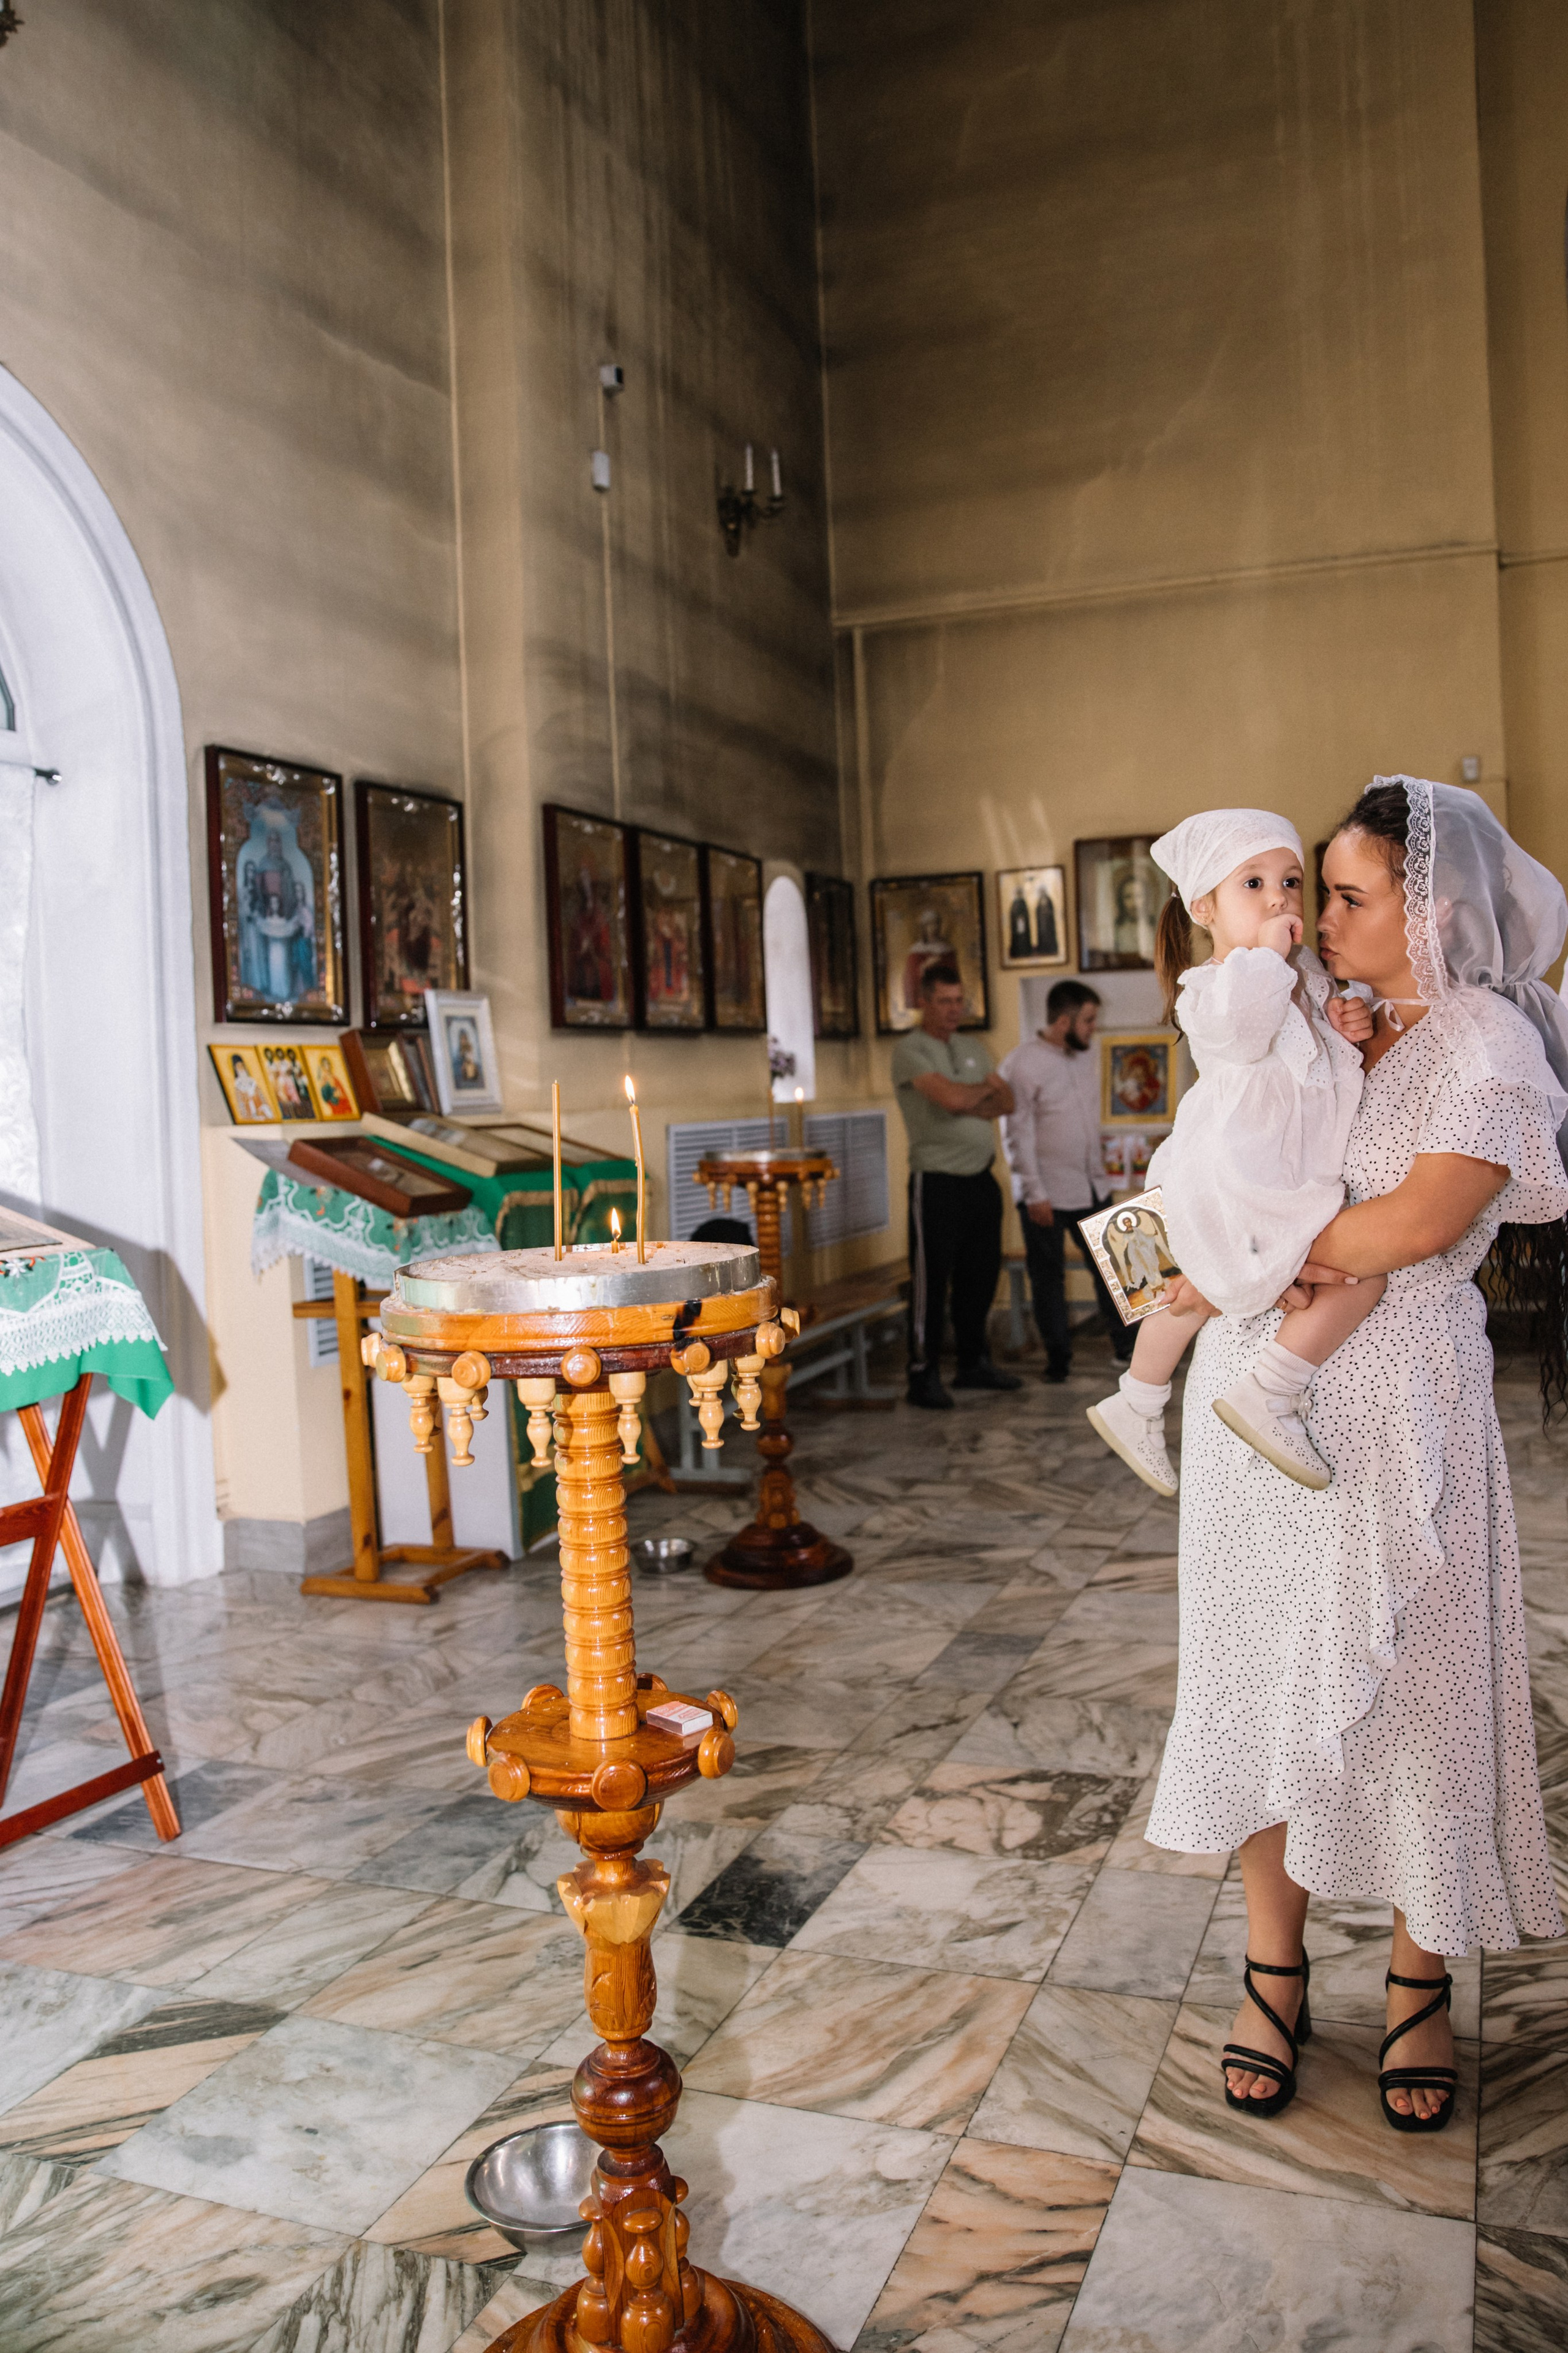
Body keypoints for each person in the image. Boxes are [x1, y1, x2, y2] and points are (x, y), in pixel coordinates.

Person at [1145, 776, 1568, 2135]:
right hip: (1248, 1415)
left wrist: (1243, 1248)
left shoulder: (1486, 1042)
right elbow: (1210, 1148)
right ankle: (1271, 1973)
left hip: (1398, 1416)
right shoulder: (1315, 1020)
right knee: (1262, 1676)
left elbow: (1410, 1225)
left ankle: (1412, 1979)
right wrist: (1201, 1241)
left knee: (1415, 1701)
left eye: (1345, 895)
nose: (1317, 915)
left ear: (1430, 908)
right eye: (1312, 891)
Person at [1087, 811, 1379, 1497]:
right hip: (1233, 1169)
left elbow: (1322, 1071)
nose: (1279, 897)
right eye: (1254, 882)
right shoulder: (1213, 986)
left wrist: (1345, 1022)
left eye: (1290, 881)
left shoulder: (1297, 977)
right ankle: (1261, 1391)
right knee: (1343, 1277)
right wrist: (1269, 961)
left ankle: (1135, 1401)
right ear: (1204, 908)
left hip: (1273, 1168)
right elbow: (1248, 1034)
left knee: (1187, 1295)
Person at [892, 961, 1021, 1409]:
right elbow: (949, 1100)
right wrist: (969, 1096)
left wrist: (965, 1097)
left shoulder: (972, 1046)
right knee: (933, 1282)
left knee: (981, 1278)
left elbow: (1006, 1100)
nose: (953, 1010)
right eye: (944, 1001)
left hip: (980, 1181)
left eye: (958, 1001)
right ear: (924, 1002)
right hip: (937, 1183)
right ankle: (922, 1373)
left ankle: (973, 1363)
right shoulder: (911, 1050)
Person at [999, 978, 1132, 1381]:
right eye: (1088, 1020)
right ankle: (1059, 1358)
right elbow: (1015, 1133)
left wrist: (1103, 1178)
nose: (1094, 1027)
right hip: (1046, 1193)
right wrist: (1033, 1191)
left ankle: (1129, 1350)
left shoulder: (1083, 1057)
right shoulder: (1022, 1064)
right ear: (1062, 1021)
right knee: (1049, 1278)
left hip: (1091, 1185)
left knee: (1115, 1269)